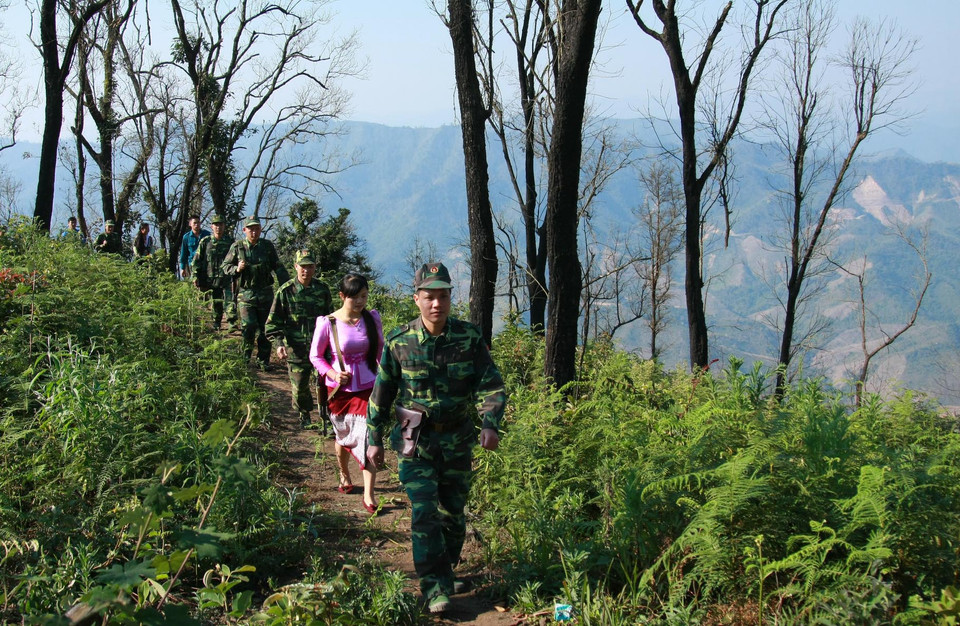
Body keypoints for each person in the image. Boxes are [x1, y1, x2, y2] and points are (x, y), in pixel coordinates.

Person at [365, 262, 506, 614]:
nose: (437, 304)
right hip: (416, 442)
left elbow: (491, 384)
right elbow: (381, 394)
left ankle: (444, 571)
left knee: (453, 515)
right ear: (417, 299)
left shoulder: (468, 338)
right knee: (425, 513)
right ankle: (434, 588)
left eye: (443, 296)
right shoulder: (400, 342)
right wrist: (374, 438)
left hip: (457, 441)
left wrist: (490, 422)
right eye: (429, 296)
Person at [310, 273, 383, 514]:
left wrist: (387, 377)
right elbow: (316, 356)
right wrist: (332, 374)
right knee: (342, 435)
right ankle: (344, 474)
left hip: (368, 388)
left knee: (367, 437)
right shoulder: (328, 323)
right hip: (339, 391)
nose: (361, 302)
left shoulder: (371, 319)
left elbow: (380, 351)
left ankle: (369, 493)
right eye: (355, 298)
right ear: (342, 297)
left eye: (364, 296)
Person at [265, 249, 332, 426]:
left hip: (320, 348)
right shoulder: (285, 291)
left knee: (326, 383)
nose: (306, 270)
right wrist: (279, 344)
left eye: (310, 266)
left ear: (315, 268)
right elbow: (272, 323)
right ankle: (305, 416)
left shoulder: (322, 290)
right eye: (302, 266)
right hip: (296, 348)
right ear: (295, 267)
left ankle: (327, 417)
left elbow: (331, 320)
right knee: (300, 386)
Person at [221, 216, 289, 369]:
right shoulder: (238, 247)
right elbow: (225, 267)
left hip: (266, 294)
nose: (254, 232)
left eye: (257, 228)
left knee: (266, 329)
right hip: (246, 294)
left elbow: (277, 267)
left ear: (260, 229)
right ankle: (245, 358)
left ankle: (263, 361)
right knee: (249, 326)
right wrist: (237, 268)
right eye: (250, 229)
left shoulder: (267, 246)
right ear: (244, 230)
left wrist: (287, 286)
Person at [191, 215, 236, 330]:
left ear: (224, 226)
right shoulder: (205, 242)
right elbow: (197, 260)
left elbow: (237, 258)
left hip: (227, 277)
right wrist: (195, 276)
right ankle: (217, 322)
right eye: (216, 225)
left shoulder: (230, 242)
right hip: (212, 278)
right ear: (212, 227)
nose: (218, 227)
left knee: (229, 300)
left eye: (220, 225)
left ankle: (232, 322)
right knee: (216, 301)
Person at [179, 215, 210, 279]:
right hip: (193, 265)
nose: (197, 224)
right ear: (190, 224)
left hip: (206, 264)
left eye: (198, 222)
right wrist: (182, 268)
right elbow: (184, 253)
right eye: (194, 223)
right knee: (194, 283)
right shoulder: (186, 237)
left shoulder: (207, 234)